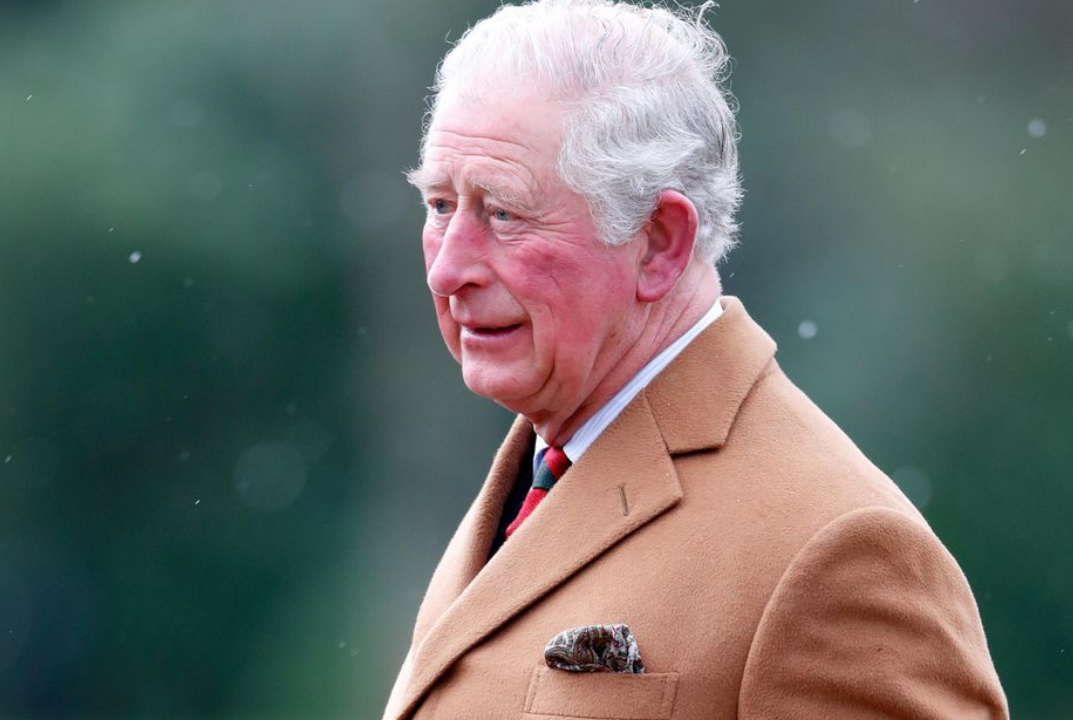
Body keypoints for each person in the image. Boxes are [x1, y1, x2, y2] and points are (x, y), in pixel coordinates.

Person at [382, 1, 1008, 718]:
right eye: (439, 205)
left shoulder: (839, 552)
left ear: (659, 244)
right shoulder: (538, 468)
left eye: (504, 213)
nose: (447, 269)